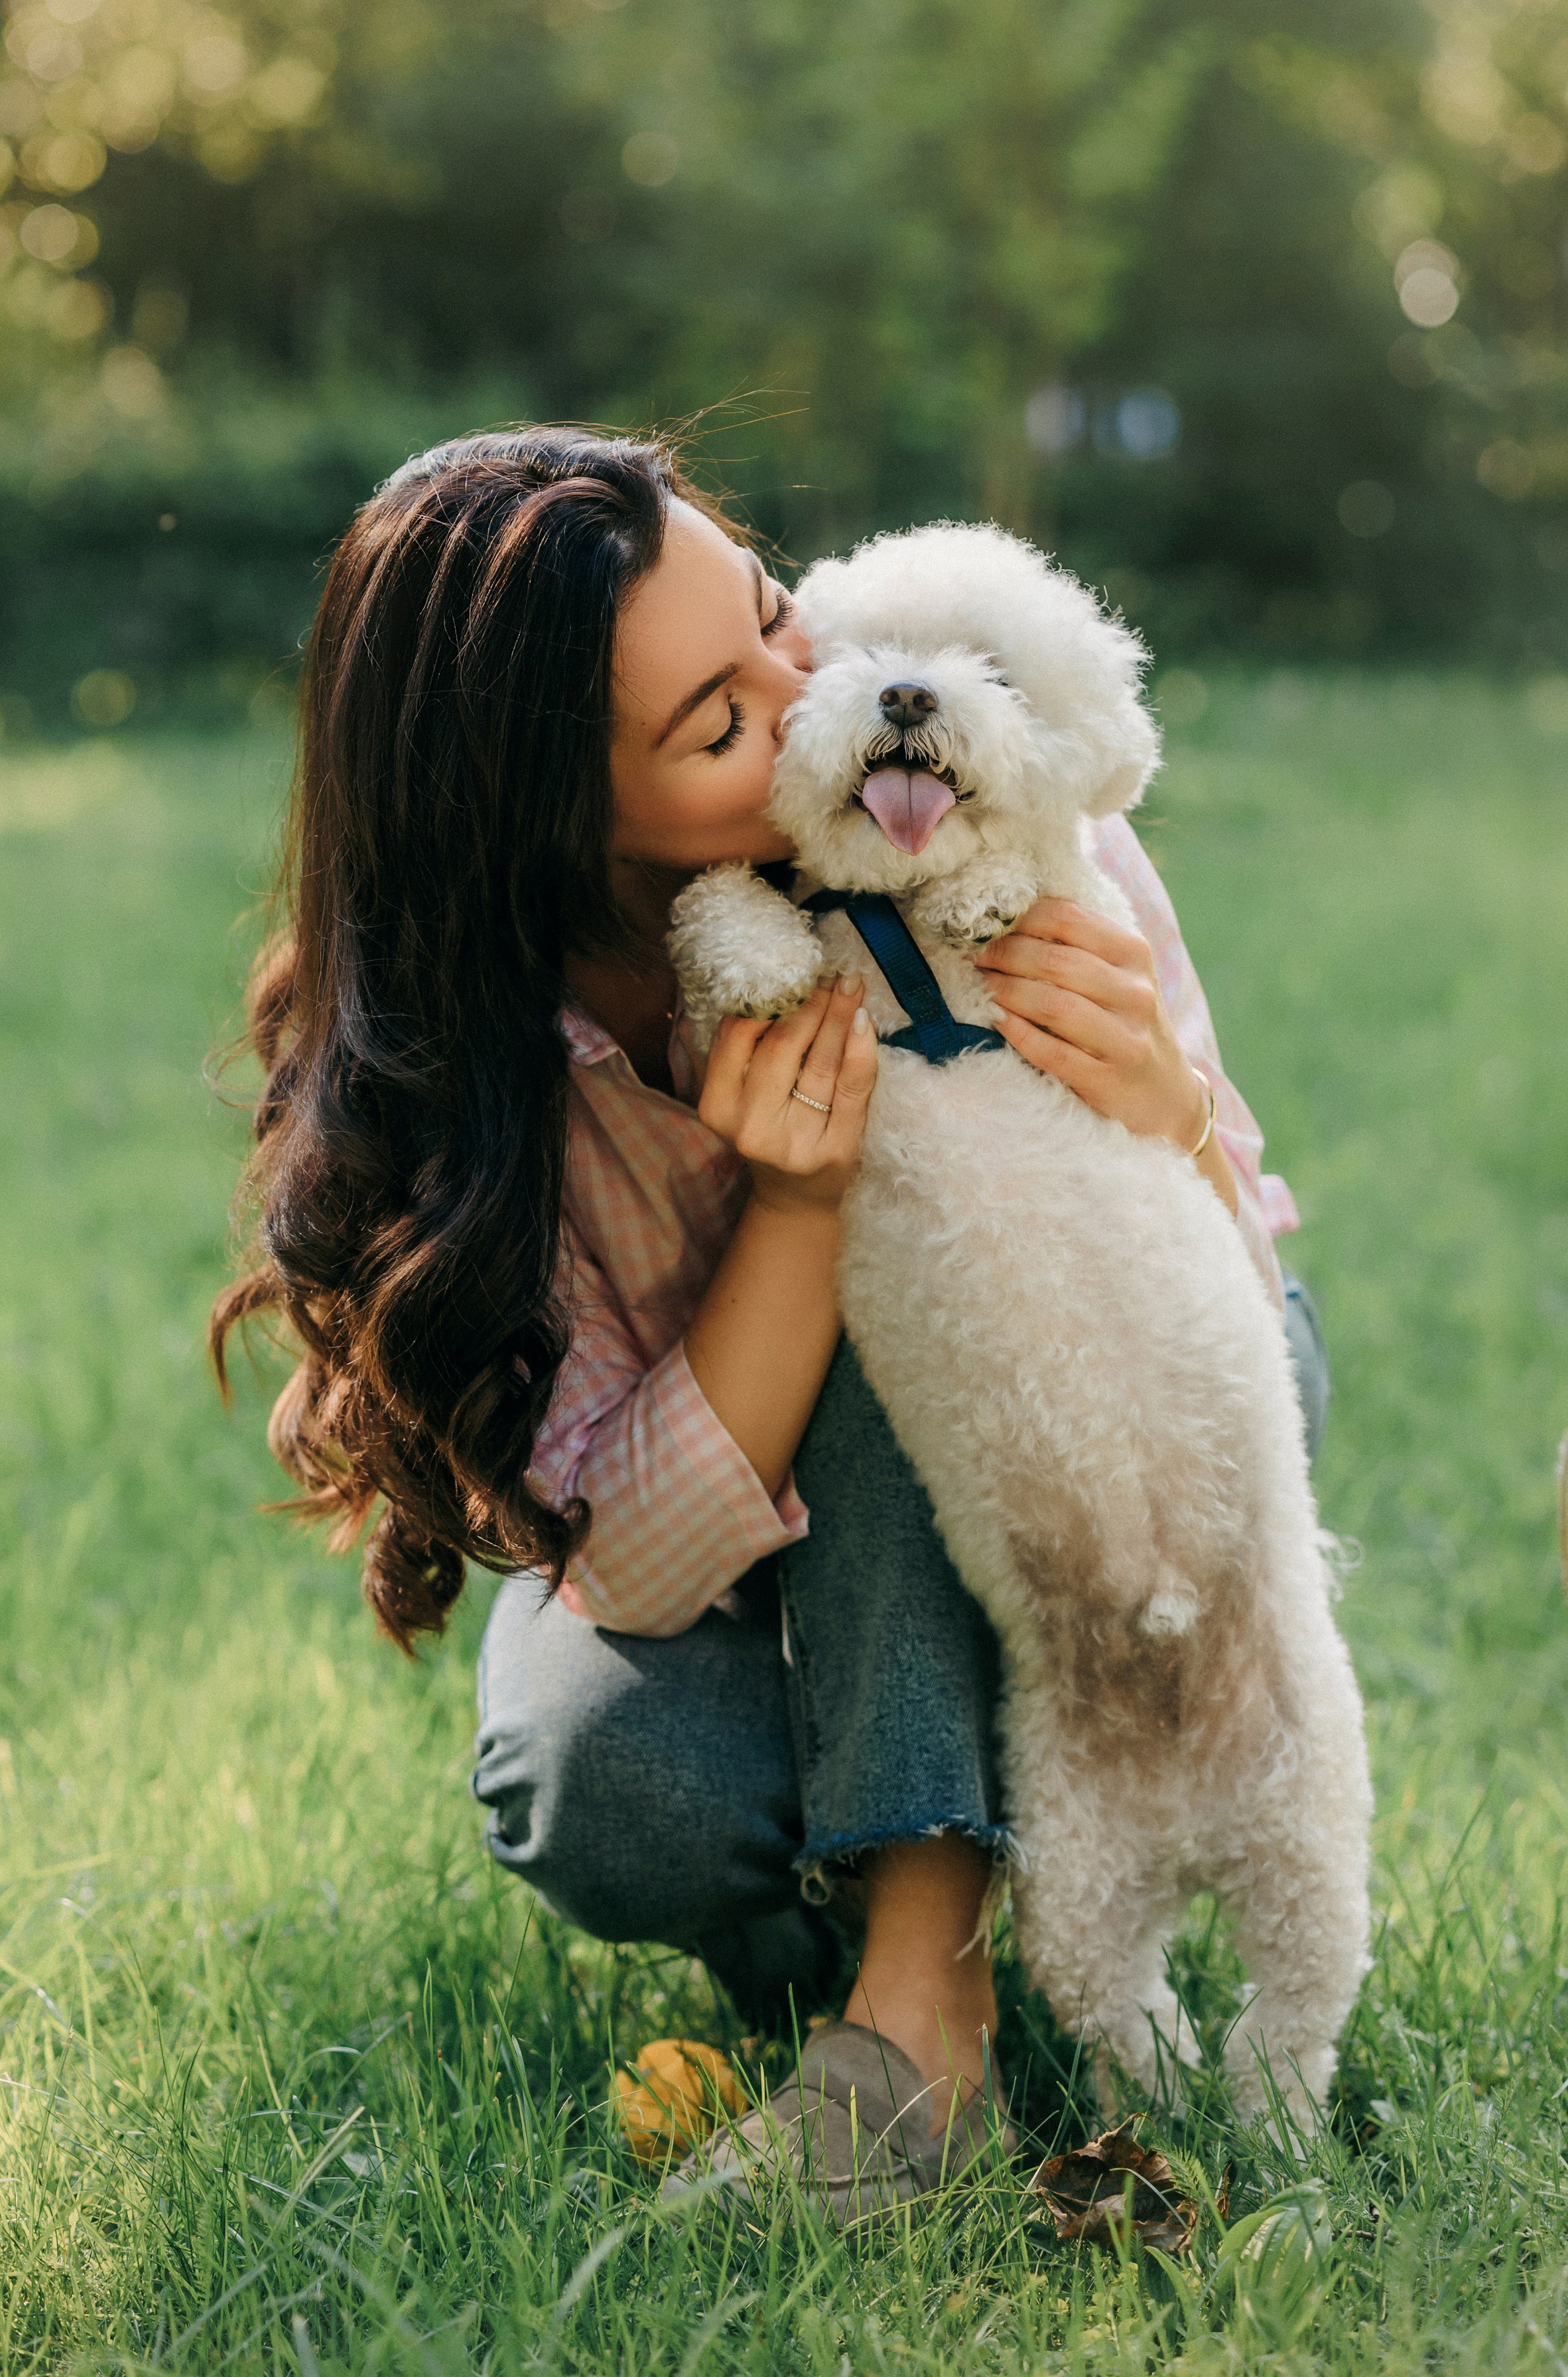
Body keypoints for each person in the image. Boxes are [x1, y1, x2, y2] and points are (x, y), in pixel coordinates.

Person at [212, 427, 1327, 2226]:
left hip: (1138, 1380)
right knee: (601, 1776)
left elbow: (1240, 1284)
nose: (831, 698)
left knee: (950, 1286)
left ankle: (913, 2008)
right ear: (557, 824)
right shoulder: (484, 1063)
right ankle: (976, 1882)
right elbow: (634, 1571)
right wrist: (795, 1215)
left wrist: (1169, 1111)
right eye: (722, 728)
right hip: (750, 1574)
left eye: (775, 617)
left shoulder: (998, 800)